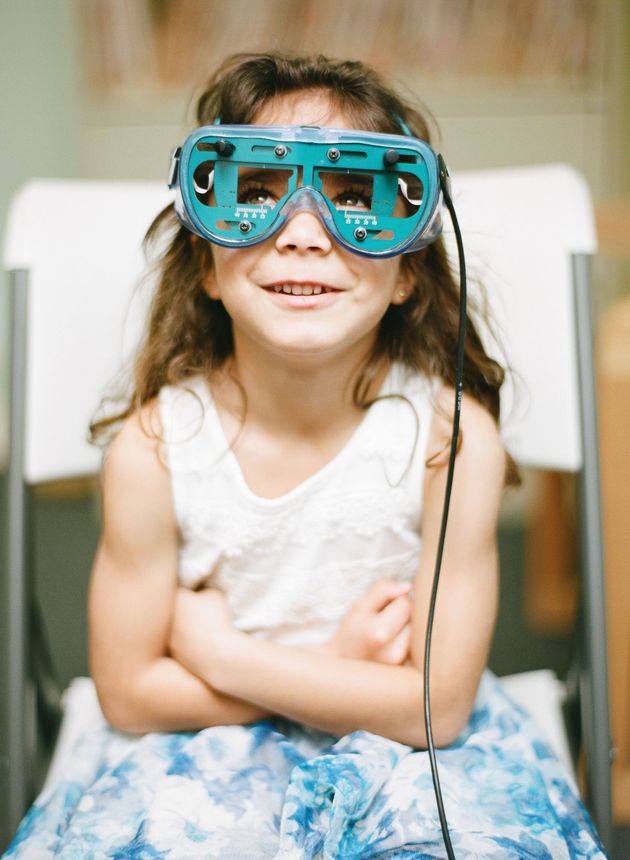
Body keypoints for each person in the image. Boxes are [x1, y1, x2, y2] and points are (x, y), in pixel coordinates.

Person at [4, 52, 605, 859]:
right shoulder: (154, 451)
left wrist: (219, 652)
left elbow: (436, 711)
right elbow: (127, 696)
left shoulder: (449, 440)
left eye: (356, 198)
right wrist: (334, 669)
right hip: (192, 763)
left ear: (407, 275)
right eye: (256, 194)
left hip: (411, 762)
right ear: (206, 270)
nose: (303, 233)